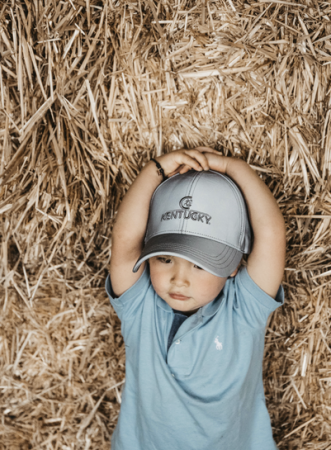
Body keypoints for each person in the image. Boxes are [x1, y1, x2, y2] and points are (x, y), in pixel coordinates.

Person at [105, 147, 286, 450]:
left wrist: (234, 167)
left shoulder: (244, 311)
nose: (179, 279)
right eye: (164, 259)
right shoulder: (139, 307)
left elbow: (271, 232)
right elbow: (125, 240)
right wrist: (154, 171)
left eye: (200, 264)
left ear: (232, 266)